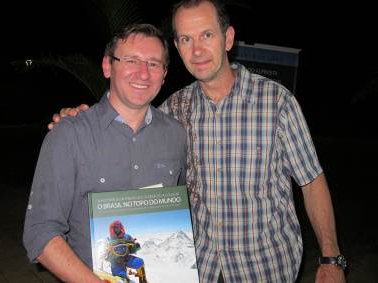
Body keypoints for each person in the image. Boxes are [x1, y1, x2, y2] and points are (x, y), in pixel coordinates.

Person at [51, 1, 346, 282]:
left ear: (228, 38)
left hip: (264, 266)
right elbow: (122, 123)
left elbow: (311, 180)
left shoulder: (277, 102)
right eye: (186, 39)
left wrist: (331, 258)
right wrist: (79, 119)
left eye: (206, 35)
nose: (198, 50)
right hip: (198, 268)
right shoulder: (172, 111)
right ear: (177, 47)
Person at [23, 23, 187, 283]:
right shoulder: (69, 135)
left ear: (164, 74)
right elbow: (40, 232)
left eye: (154, 64)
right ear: (107, 66)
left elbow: (179, 212)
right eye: (131, 60)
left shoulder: (177, 135)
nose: (143, 73)